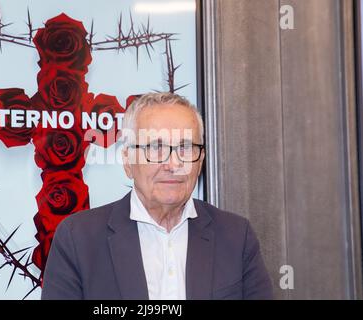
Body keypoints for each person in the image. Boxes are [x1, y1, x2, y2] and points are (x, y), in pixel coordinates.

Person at [41, 92, 273, 300]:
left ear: (200, 160)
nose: (173, 164)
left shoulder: (236, 236)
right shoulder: (78, 238)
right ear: (128, 161)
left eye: (185, 147)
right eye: (155, 148)